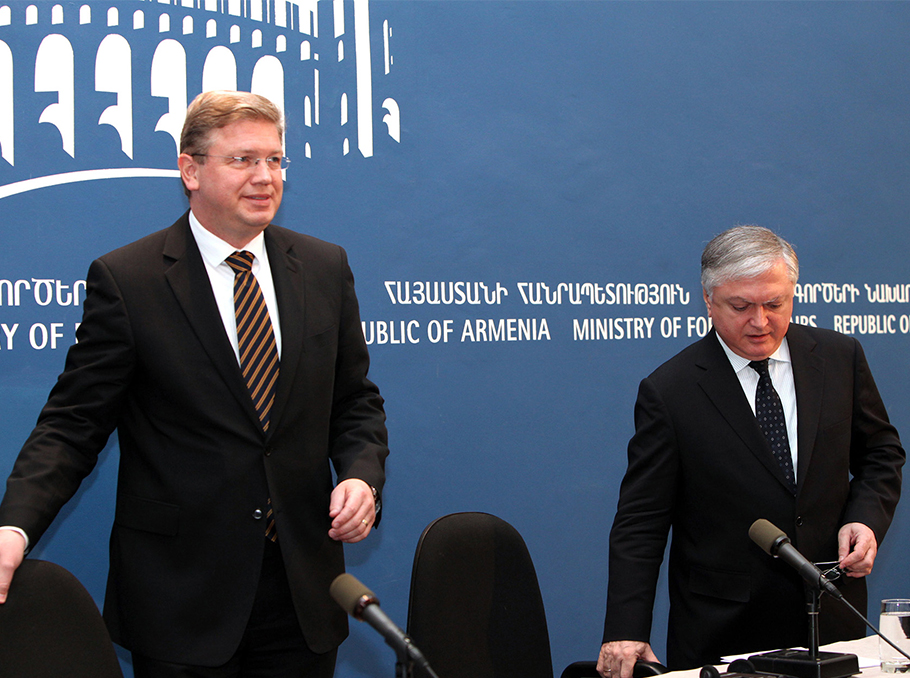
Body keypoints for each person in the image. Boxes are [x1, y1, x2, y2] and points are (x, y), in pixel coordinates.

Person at [0, 90, 389, 677]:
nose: (264, 177)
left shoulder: (325, 267)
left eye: (275, 160)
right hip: (181, 598)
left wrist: (361, 474)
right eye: (242, 160)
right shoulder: (128, 280)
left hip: (304, 595)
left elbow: (354, 400)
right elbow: (71, 425)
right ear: (190, 170)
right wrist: (15, 525)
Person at [598, 225, 904, 676]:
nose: (760, 322)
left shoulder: (841, 358)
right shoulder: (672, 391)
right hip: (724, 630)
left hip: (834, 623)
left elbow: (881, 452)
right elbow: (641, 520)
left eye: (774, 304)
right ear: (708, 301)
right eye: (740, 307)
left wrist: (866, 518)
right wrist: (626, 628)